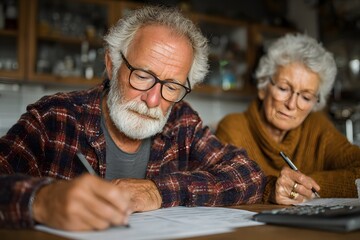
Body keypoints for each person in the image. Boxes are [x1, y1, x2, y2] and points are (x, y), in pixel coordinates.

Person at [0, 6, 265, 231]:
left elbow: (248, 176)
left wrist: (159, 191)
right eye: (142, 76)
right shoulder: (55, 117)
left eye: (172, 86)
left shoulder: (182, 122)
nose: (153, 100)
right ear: (112, 65)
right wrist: (42, 200)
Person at [216, 33, 360, 205]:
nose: (292, 104)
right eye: (284, 88)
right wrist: (270, 189)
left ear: (315, 103)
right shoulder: (234, 127)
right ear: (263, 86)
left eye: (306, 97)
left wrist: (305, 187)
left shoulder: (317, 127)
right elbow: (226, 186)